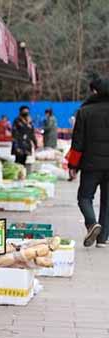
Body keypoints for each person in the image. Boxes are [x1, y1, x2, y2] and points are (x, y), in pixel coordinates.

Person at [67, 78, 109, 247]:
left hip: (91, 165)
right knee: (107, 201)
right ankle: (102, 239)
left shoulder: (85, 112)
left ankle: (92, 224)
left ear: (95, 91)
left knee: (84, 197)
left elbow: (77, 142)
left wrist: (72, 166)